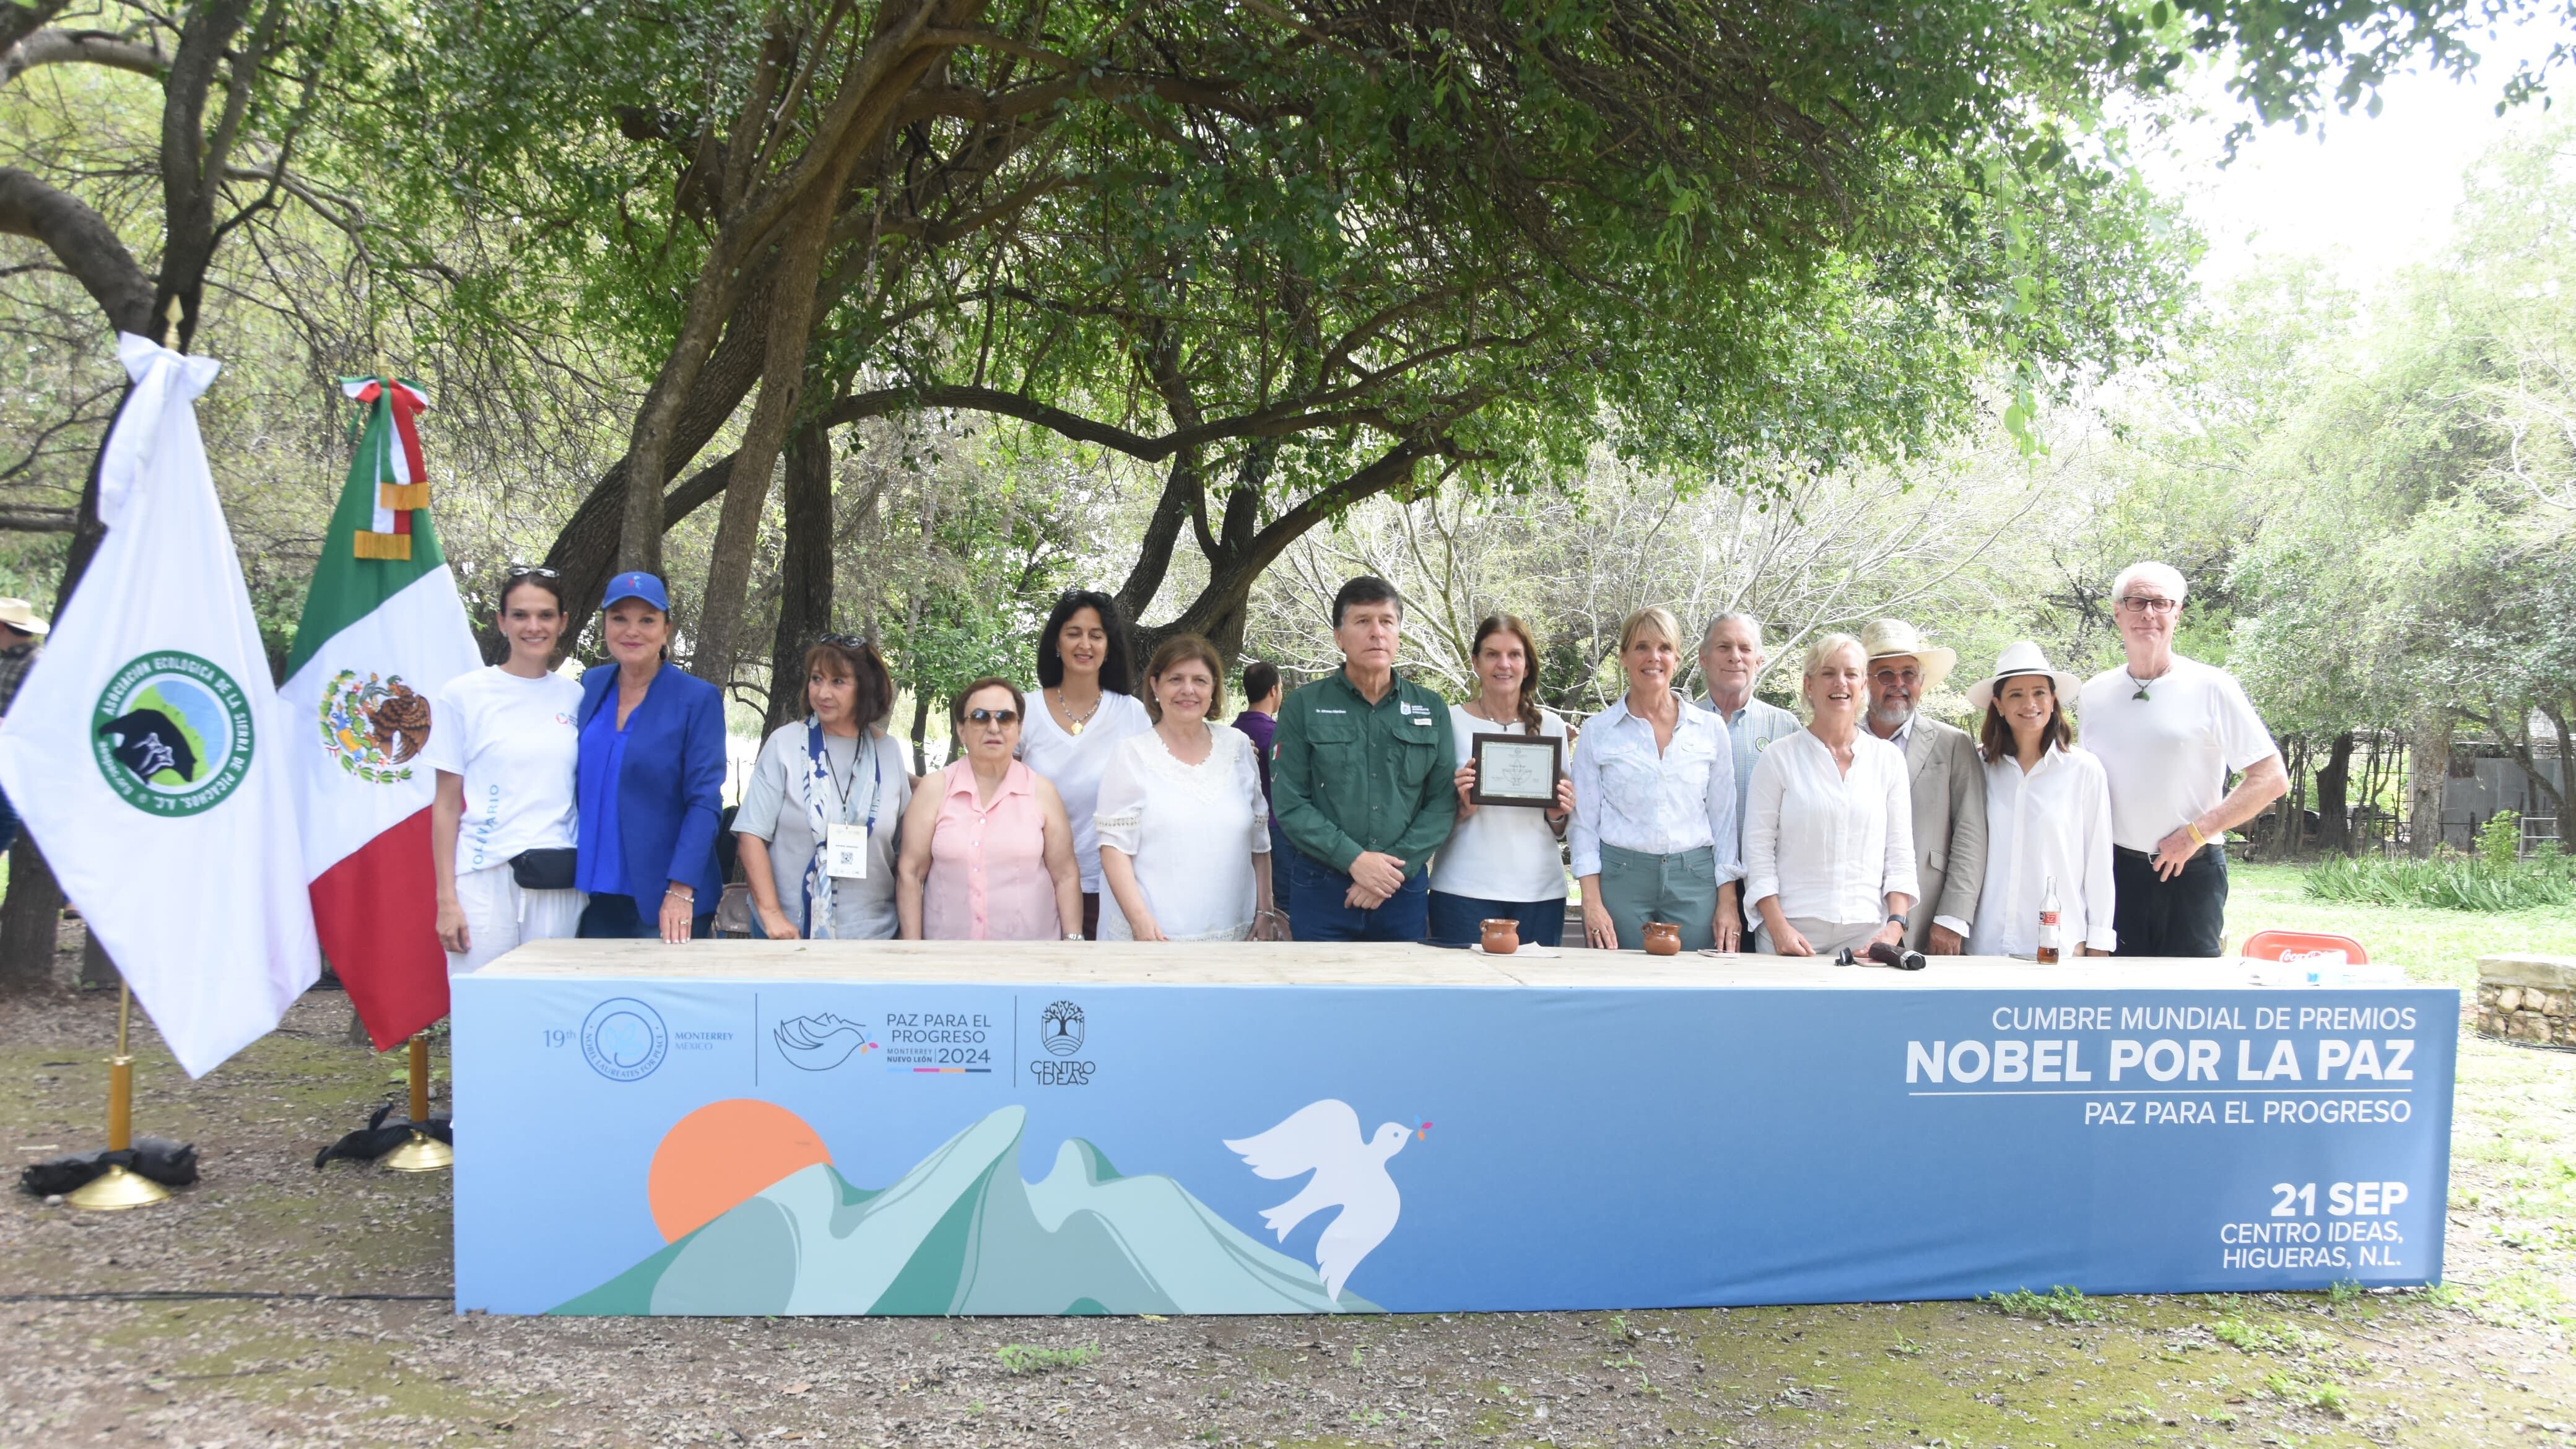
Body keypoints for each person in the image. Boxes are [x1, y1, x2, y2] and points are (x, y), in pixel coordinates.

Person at [2078, 562, 2288, 956]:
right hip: (2113, 872)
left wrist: (2194, 834)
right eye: (2137, 602)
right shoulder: (2094, 693)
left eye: (2161, 603)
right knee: (2112, 997)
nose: (2148, 614)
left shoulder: (2212, 686)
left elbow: (2271, 777)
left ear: (2177, 613)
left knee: (2189, 1001)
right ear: (2117, 612)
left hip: (2189, 871)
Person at [1270, 575, 1459, 941]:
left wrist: (1386, 874)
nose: (1377, 633)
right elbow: (1290, 803)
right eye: (1362, 621)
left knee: (1400, 994)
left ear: (1399, 632)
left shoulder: (1431, 707)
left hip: (1401, 888)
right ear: (1339, 636)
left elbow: (1441, 803)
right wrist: (1356, 861)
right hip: (1322, 889)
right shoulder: (1303, 707)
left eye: (1387, 621)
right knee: (1323, 994)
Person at [426, 568, 585, 973]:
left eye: (546, 615)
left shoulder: (578, 697)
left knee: (549, 1017)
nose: (534, 627)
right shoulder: (462, 695)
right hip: (483, 879)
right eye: (520, 615)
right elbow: (445, 805)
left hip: (556, 881)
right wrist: (447, 899)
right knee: (483, 1012)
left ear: (563, 622)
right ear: (501, 621)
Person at [1570, 607, 1741, 951]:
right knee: (1624, 987)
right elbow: (1584, 823)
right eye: (1641, 647)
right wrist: (1591, 902)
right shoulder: (1598, 732)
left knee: (1695, 987)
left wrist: (1728, 901)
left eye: (1664, 648)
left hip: (1695, 880)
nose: (1654, 657)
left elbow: (1723, 820)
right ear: (1623, 657)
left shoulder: (1710, 730)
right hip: (1621, 880)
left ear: (1677, 658)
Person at [1094, 635, 1277, 941]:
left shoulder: (1238, 747)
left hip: (1235, 935)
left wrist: (1266, 909)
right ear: (1155, 686)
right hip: (1154, 940)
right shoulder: (1130, 754)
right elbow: (1113, 849)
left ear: (1213, 688)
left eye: (1200, 680)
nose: (1188, 690)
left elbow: (1260, 842)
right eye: (1175, 679)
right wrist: (1140, 922)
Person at [575, 573, 725, 943]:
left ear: (666, 629)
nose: (632, 631)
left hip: (665, 898)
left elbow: (705, 802)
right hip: (594, 893)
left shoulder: (696, 699)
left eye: (647, 620)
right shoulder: (590, 686)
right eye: (620, 618)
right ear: (605, 624)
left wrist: (680, 889)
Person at [1743, 633, 1916, 957]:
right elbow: (1758, 853)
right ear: (1809, 685)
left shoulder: (1888, 760)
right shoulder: (1779, 757)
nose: (1841, 682)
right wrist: (1779, 929)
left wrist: (1894, 927)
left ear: (1863, 684)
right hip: (1792, 933)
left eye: (1851, 674)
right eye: (1828, 673)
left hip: (1868, 935)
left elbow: (1900, 853)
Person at [734, 635, 913, 940]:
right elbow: (751, 834)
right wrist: (772, 914)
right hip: (788, 933)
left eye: (838, 681)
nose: (823, 692)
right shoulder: (785, 743)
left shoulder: (888, 751)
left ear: (866, 687)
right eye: (817, 679)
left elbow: (904, 844)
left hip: (873, 936)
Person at [895, 677, 1084, 940]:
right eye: (981, 717)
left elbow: (1065, 875)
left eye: (1005, 718)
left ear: (1019, 729)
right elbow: (911, 873)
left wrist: (1074, 942)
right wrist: (912, 950)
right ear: (961, 729)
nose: (993, 727)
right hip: (948, 961)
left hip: (1032, 961)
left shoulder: (1042, 792)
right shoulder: (934, 790)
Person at [1429, 615, 1575, 947]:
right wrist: (1460, 808)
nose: (1503, 664)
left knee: (1536, 995)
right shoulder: (1449, 722)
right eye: (1493, 654)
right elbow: (1429, 812)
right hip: (1462, 888)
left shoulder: (1552, 727)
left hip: (1540, 891)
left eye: (1514, 655)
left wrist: (1558, 811)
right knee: (1467, 994)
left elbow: (1558, 825)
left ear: (1527, 665)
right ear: (1476, 662)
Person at [1964, 642, 2117, 958]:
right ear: (1999, 705)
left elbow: (2099, 861)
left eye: (2039, 693)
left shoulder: (2084, 770)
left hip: (2057, 942)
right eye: (2016, 694)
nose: (2029, 703)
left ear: (2053, 700)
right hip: (1985, 943)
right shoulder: (1976, 767)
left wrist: (2099, 941)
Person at [1015, 590, 1151, 938]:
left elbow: (1163, 780)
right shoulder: (1024, 711)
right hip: (1033, 883)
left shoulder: (1131, 714)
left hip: (1108, 886)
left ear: (1108, 647)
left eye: (1096, 635)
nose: (1085, 644)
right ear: (1056, 643)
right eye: (1073, 633)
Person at [1858, 618, 1986, 955]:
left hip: (1928, 911)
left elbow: (1970, 835)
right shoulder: (1841, 742)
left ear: (1921, 681)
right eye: (1885, 674)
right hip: (1852, 913)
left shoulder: (1953, 744)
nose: (1898, 684)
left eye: (1909, 674)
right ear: (1864, 681)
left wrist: (1952, 918)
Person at [1695, 612, 1802, 832]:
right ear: (1703, 658)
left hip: (1762, 865)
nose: (1735, 657)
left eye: (1745, 648)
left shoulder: (1785, 727)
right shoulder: (1681, 723)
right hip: (1694, 865)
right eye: (1724, 647)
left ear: (1758, 662)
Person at [0, 597, 48, 855]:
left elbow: (43, 713)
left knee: (6, 811)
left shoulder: (37, 662)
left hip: (15, 754)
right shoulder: (8, 660)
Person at [1232, 658, 1284, 806]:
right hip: (1273, 819)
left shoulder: (1231, 731)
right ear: (1273, 690)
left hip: (1239, 816)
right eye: (1280, 688)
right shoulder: (1277, 734)